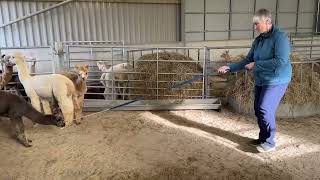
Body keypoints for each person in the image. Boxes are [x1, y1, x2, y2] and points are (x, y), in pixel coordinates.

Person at [217, 8, 292, 152]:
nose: (255, 27)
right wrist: (230, 67)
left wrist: (257, 64)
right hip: (261, 78)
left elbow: (281, 61)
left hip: (277, 79)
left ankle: (270, 143)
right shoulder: (258, 40)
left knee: (265, 108)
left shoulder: (280, 37)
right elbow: (247, 60)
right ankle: (263, 138)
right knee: (258, 110)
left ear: (267, 21)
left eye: (257, 23)